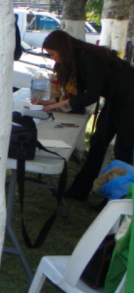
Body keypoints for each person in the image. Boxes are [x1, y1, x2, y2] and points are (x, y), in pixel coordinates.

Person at [37, 30, 134, 201]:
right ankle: (80, 190)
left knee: (123, 150)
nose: (52, 58)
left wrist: (61, 103)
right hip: (116, 98)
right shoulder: (78, 58)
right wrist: (54, 101)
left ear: (62, 49)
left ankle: (118, 199)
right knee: (98, 142)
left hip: (129, 99)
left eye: (52, 54)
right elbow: (80, 92)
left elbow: (90, 96)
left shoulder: (88, 57)